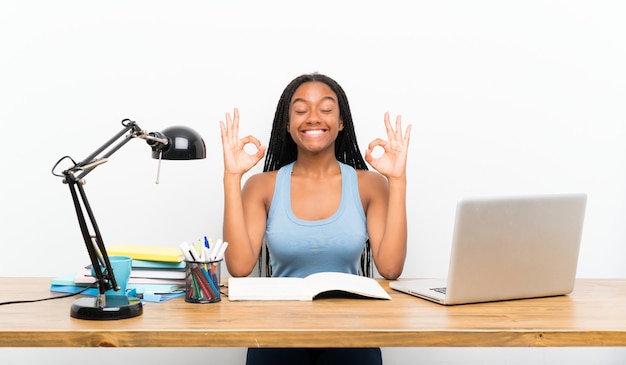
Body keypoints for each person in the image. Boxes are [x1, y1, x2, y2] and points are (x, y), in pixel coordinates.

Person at [220, 73, 412, 365]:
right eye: (300, 110)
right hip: (278, 332)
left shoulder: (370, 185)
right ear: (287, 124)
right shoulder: (261, 186)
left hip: (351, 332)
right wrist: (232, 178)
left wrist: (397, 180)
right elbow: (239, 266)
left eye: (325, 109)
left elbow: (390, 268)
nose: (312, 117)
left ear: (341, 121)